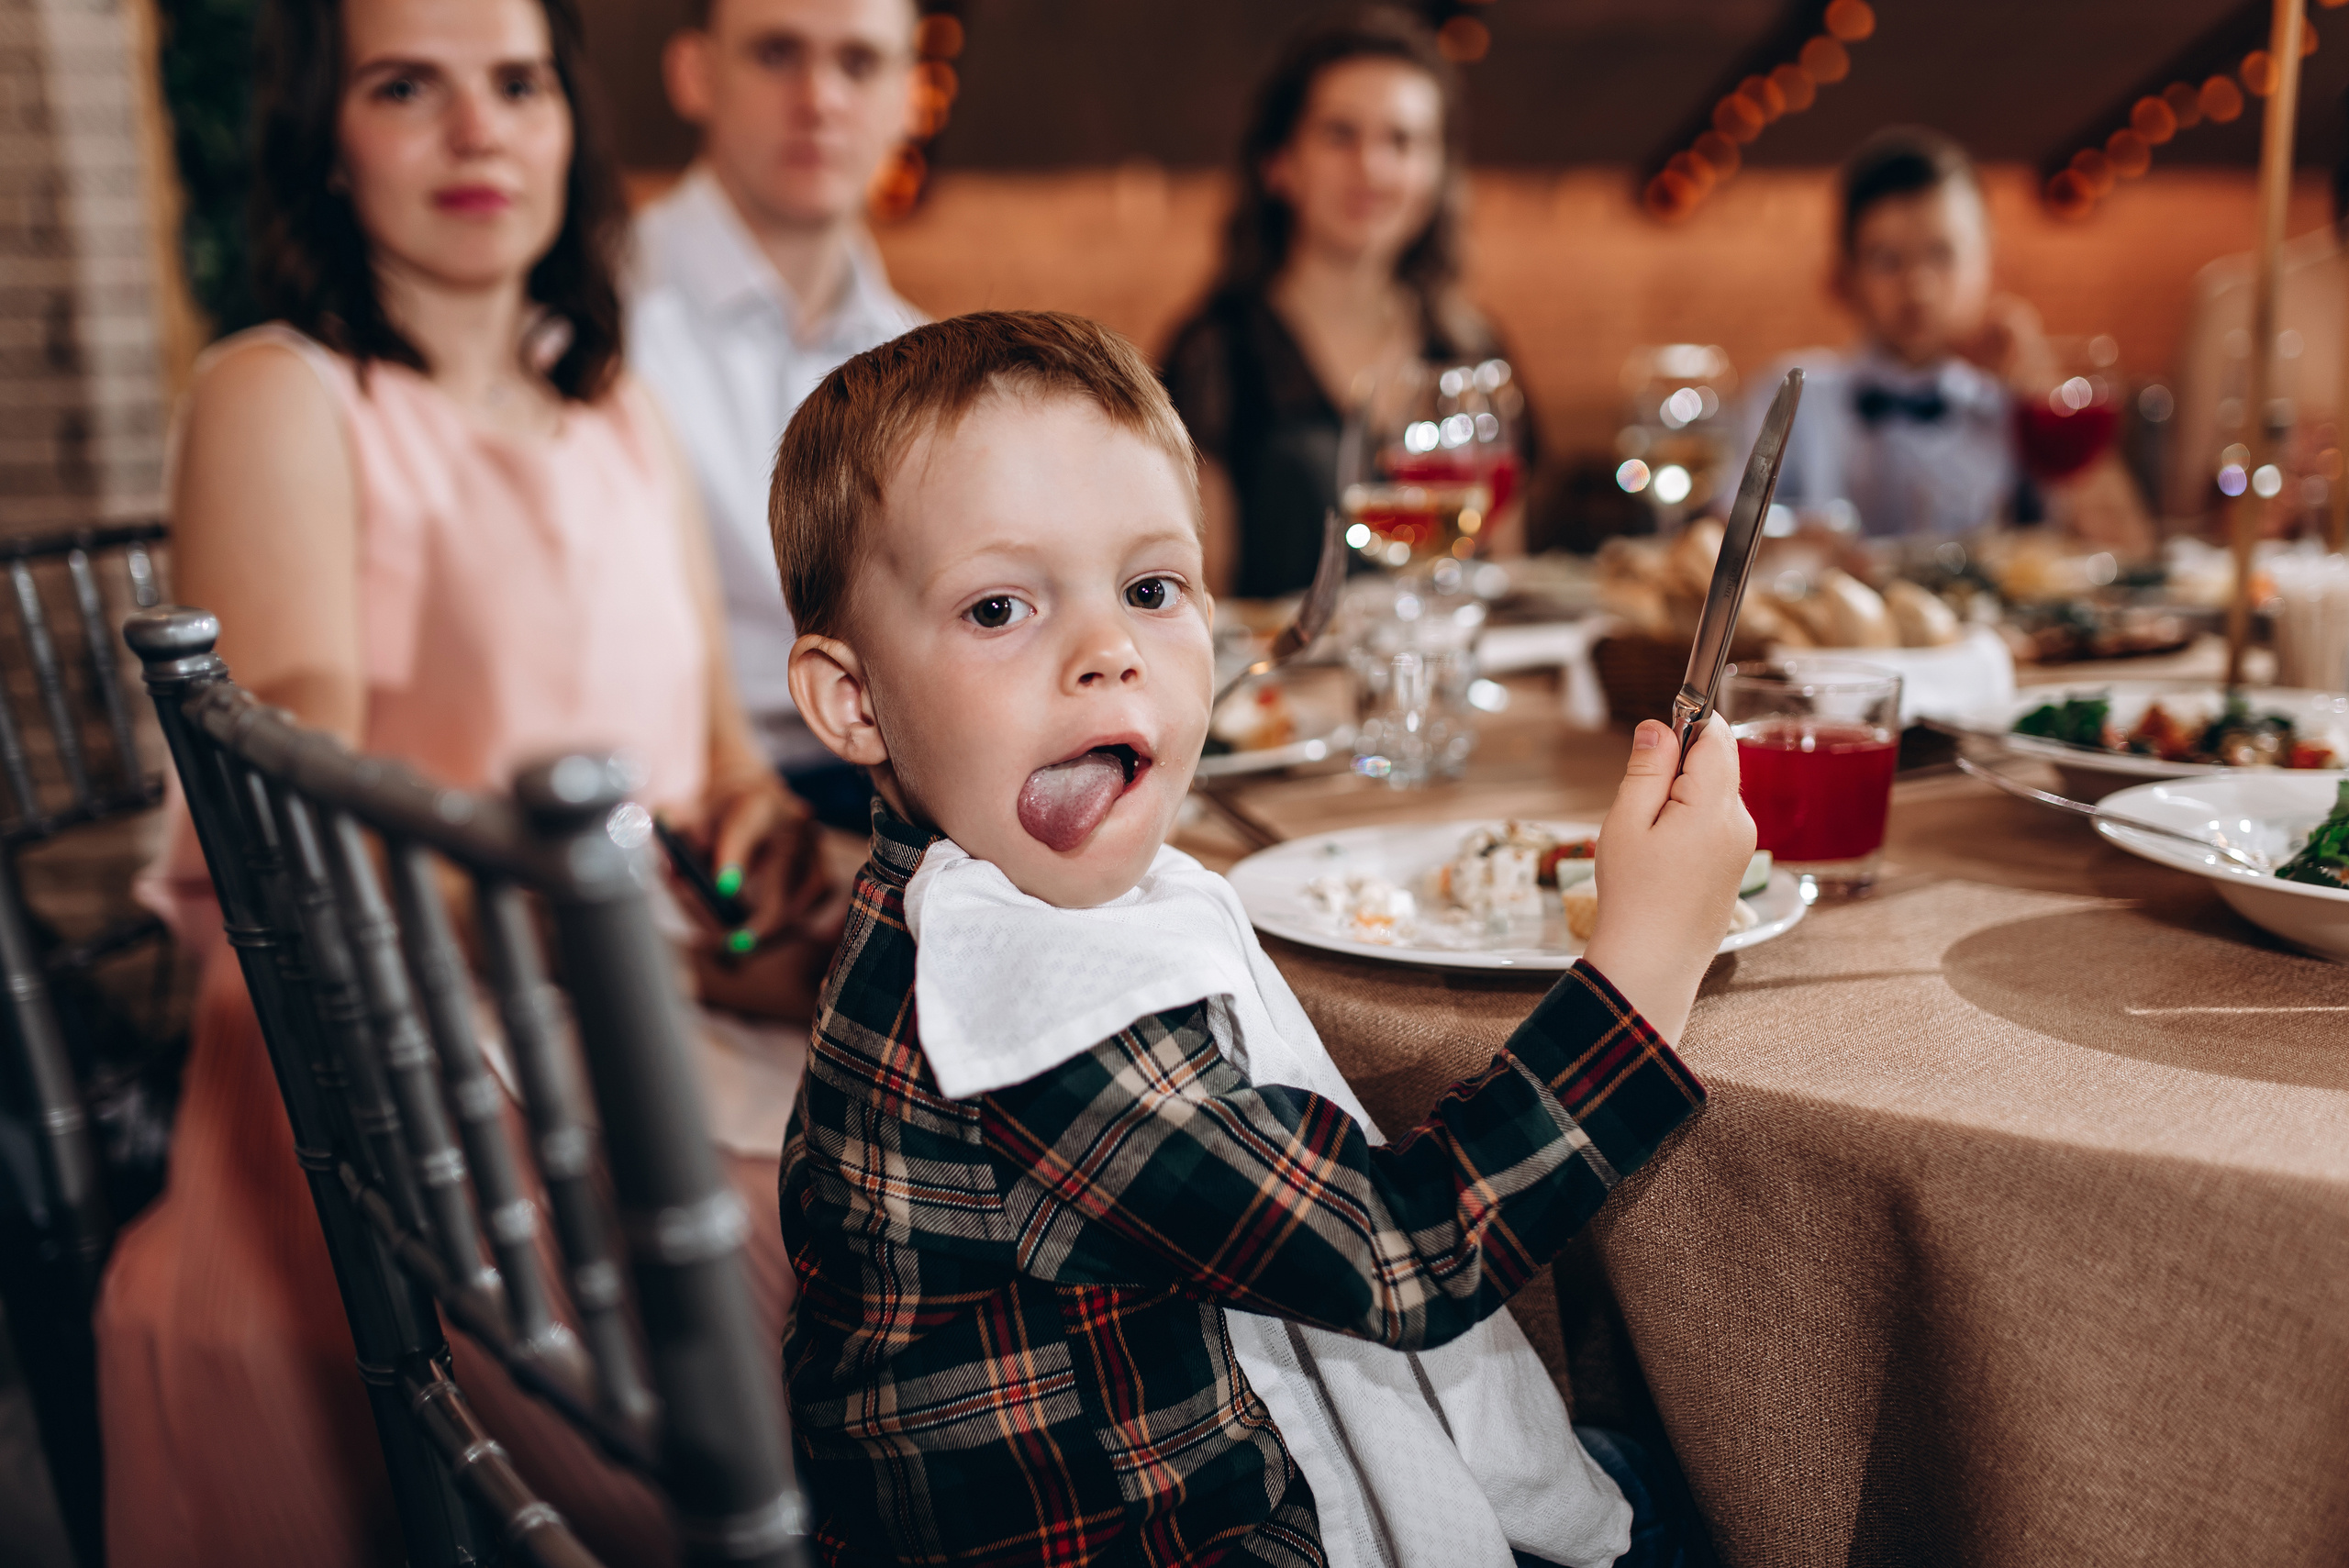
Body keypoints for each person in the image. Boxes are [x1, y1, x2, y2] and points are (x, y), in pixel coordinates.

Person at [772, 310, 1745, 1566]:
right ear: (853, 701)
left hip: (1177, 1454)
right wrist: (1647, 958)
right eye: (1002, 605)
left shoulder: (965, 902)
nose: (1108, 650)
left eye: (1150, 588)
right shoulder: (1026, 1016)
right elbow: (1409, 1254)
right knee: (1706, 1495)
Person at [96, 0, 827, 1562]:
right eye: (405, 86)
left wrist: (752, 859)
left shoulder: (616, 409)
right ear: (325, 143)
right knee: (884, 1274)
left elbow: (709, 767)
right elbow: (298, 845)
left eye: (517, 84)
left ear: (573, 123)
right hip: (397, 1077)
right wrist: (628, 915)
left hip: (645, 1001)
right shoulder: (281, 394)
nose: (479, 130)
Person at [629, 0, 923, 830]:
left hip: (904, 771)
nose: (819, 98)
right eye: (776, 53)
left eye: (859, 64)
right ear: (694, 74)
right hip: (679, 792)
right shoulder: (596, 326)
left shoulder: (928, 357)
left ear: (910, 96)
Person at [1162, 5, 1535, 599]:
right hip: (1279, 689)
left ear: (1438, 173)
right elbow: (1201, 596)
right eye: (1340, 135)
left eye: (1403, 140)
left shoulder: (1472, 348)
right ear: (1278, 164)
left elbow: (1502, 572)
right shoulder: (1216, 352)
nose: (1373, 167)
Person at [1741, 126, 2147, 548]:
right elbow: (1719, 549)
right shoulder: (1790, 395)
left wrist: (2043, 389)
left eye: (1942, 254)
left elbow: (2125, 549)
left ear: (1992, 267)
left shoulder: (2013, 404)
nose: (1919, 287)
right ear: (1841, 281)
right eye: (1887, 260)